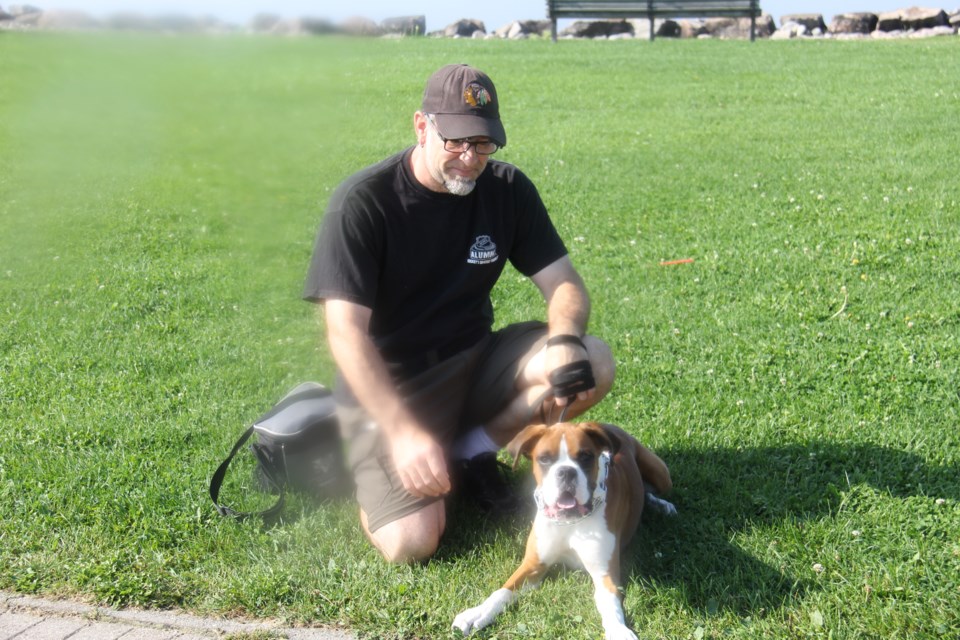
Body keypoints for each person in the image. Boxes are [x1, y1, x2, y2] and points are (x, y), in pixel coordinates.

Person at [303, 63, 615, 564]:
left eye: (484, 143)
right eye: (456, 141)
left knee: (591, 361)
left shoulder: (507, 189)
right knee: (412, 542)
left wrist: (563, 340)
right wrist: (403, 434)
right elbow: (346, 337)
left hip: (474, 360)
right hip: (396, 384)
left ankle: (469, 450)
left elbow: (564, 284)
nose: (470, 158)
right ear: (422, 126)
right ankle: (391, 463)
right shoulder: (363, 203)